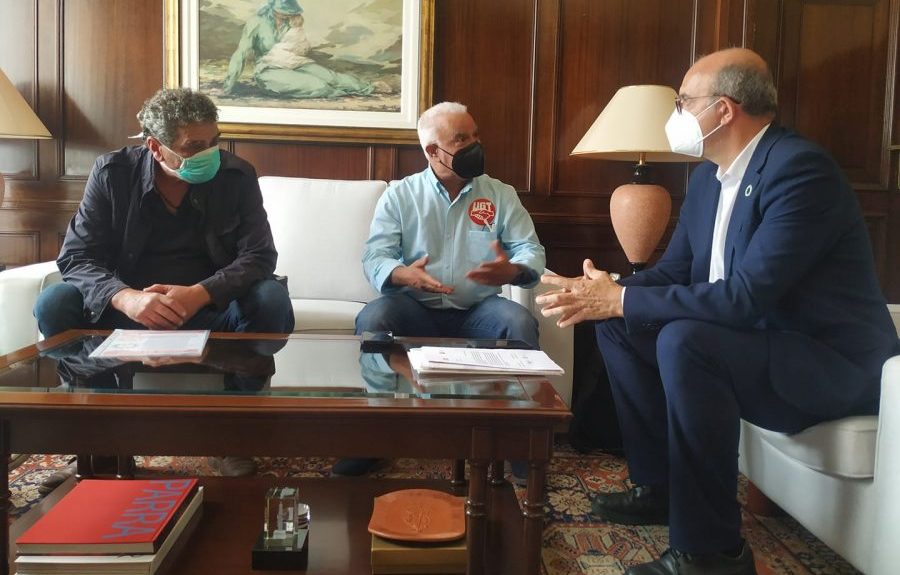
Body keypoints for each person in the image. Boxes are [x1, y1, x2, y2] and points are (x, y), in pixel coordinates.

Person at [536, 48, 900, 575]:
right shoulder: (708, 178)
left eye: (684, 101)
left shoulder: (800, 171)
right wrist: (607, 291)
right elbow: (675, 272)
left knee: (686, 341)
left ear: (724, 110)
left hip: (830, 363)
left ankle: (711, 553)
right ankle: (659, 487)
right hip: (757, 345)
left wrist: (622, 298)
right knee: (619, 326)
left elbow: (747, 297)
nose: (677, 114)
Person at [33, 87, 294, 486]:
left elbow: (259, 256)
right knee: (54, 304)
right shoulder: (112, 174)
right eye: (194, 146)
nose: (210, 153)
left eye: (214, 142)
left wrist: (200, 293)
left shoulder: (236, 175)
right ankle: (102, 439)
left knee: (271, 300)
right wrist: (127, 297)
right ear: (156, 147)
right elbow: (75, 257)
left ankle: (233, 435)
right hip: (130, 312)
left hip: (211, 309)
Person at [334, 101, 546, 477]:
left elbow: (530, 249)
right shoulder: (401, 196)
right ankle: (372, 436)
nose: (476, 145)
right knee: (374, 317)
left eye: (476, 135)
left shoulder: (500, 194)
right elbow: (375, 255)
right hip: (416, 310)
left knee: (519, 322)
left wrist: (511, 270)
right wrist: (403, 275)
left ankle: (518, 445)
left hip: (478, 311)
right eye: (463, 139)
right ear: (433, 150)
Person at [223, 0, 382, 100]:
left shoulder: (291, 21)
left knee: (330, 76)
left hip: (293, 62)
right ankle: (335, 91)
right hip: (268, 70)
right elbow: (241, 53)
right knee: (316, 84)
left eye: (290, 12)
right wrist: (229, 84)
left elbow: (298, 46)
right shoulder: (256, 22)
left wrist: (296, 27)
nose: (287, 15)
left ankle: (368, 87)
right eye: (283, 11)